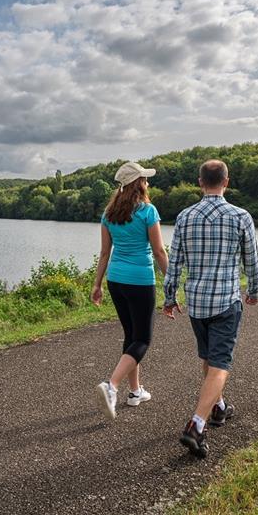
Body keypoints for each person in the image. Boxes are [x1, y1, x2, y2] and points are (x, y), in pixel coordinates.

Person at [163, 159, 258, 458]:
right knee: (220, 364)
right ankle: (196, 424)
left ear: (199, 182)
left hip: (197, 302)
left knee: (208, 358)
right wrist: (254, 290)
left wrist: (169, 297)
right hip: (226, 300)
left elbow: (175, 262)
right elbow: (252, 261)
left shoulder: (184, 217)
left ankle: (218, 408)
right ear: (226, 182)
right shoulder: (240, 216)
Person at [91, 161, 169, 420]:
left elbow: (104, 253)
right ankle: (111, 386)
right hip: (140, 280)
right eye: (145, 179)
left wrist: (97, 284)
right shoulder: (148, 211)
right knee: (143, 339)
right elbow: (159, 251)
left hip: (116, 280)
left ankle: (135, 391)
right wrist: (171, 279)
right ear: (139, 184)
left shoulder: (109, 214)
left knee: (131, 336)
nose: (148, 183)